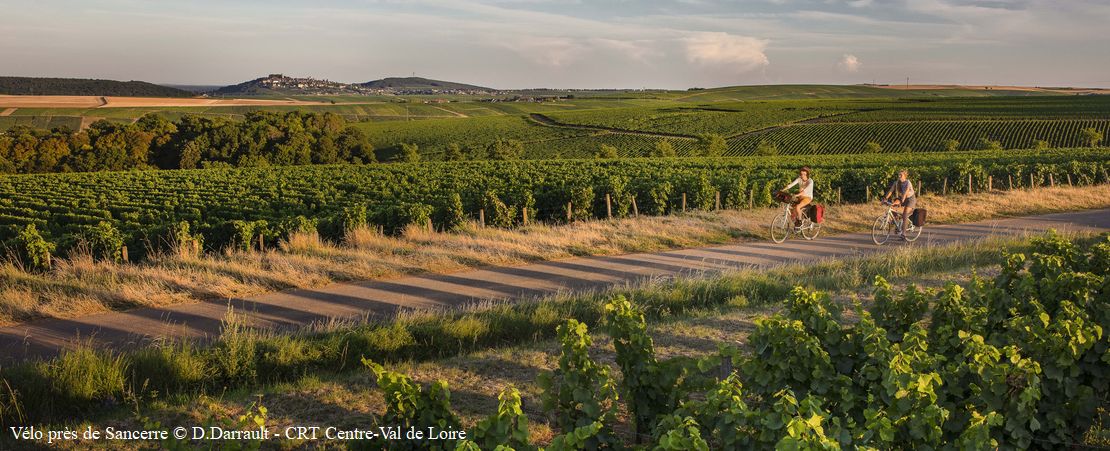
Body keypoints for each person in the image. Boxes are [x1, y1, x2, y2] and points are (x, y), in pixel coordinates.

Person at [882, 169, 916, 239]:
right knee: (892, 207)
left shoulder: (908, 182)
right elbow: (891, 190)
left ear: (905, 176)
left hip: (910, 199)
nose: (899, 176)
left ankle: (903, 234)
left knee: (905, 214)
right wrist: (885, 198)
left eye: (901, 175)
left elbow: (906, 191)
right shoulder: (897, 182)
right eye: (898, 175)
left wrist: (902, 200)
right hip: (902, 198)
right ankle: (897, 223)